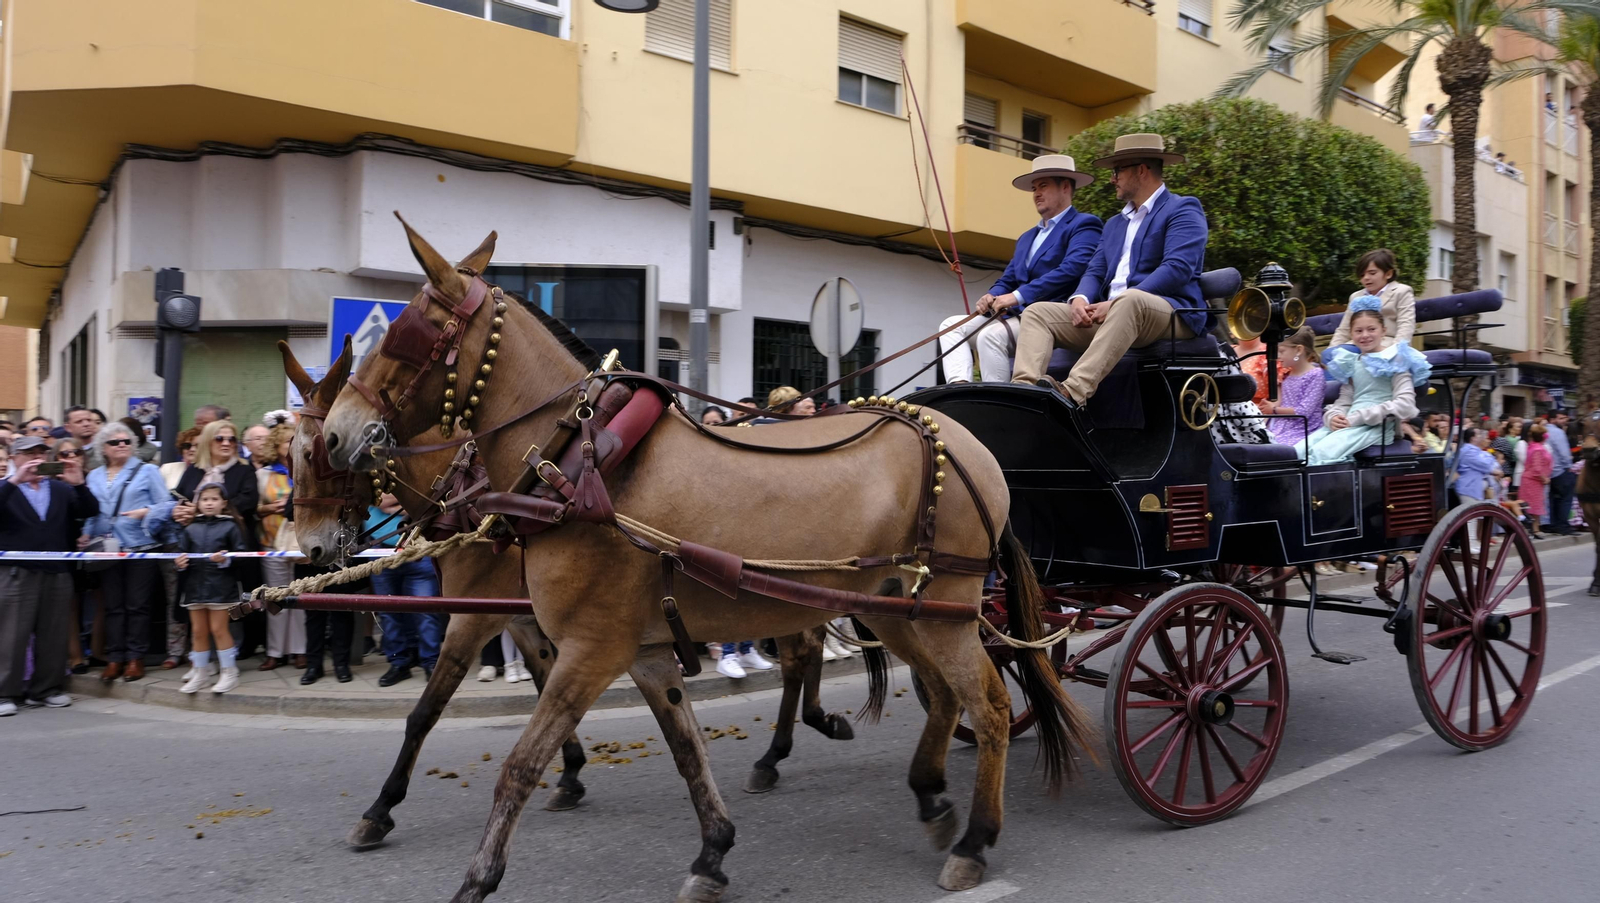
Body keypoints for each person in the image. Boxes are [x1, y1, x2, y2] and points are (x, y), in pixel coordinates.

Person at [1009, 133, 1209, 411]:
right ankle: (1023, 394)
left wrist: (1115, 303)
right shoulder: (1115, 223)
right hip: (1116, 316)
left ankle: (1071, 393)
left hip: (1170, 314)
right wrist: (1079, 298)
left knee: (1130, 300)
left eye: (1117, 171)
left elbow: (1177, 269)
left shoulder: (1183, 208)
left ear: (1141, 170)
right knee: (1037, 312)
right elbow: (1095, 270)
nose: (1112, 178)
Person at [937, 155, 1102, 383]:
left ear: (1065, 186)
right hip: (1016, 315)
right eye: (1034, 188)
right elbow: (1010, 277)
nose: (1036, 193)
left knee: (990, 336)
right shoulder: (1027, 237)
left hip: (1051, 316)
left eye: (1043, 185)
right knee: (950, 326)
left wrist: (1015, 297)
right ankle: (961, 387)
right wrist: (992, 295)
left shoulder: (1084, 224)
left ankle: (1000, 403)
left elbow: (1072, 269)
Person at [0, 436, 97, 716]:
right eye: (29, 454)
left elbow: (89, 511)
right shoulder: (7, 487)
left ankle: (46, 689)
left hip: (56, 569)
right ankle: (5, 692)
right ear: (14, 458)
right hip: (17, 571)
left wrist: (79, 483)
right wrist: (15, 480)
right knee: (11, 634)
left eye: (41, 453)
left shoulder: (60, 488)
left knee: (53, 633)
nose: (37, 459)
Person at [83, 422, 176, 683]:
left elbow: (166, 505)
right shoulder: (94, 476)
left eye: (127, 441)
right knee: (113, 606)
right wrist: (85, 534)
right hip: (107, 549)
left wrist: (144, 512)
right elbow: (92, 512)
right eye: (115, 442)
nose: (122, 445)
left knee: (137, 606)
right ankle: (115, 658)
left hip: (140, 547)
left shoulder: (147, 471)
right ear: (104, 448)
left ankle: (136, 658)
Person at [1305, 297, 1431, 466]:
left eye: (1371, 329)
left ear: (1383, 330)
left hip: (1378, 426)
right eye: (1359, 331)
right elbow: (1345, 400)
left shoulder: (1396, 360)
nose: (1365, 335)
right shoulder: (1352, 362)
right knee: (1300, 451)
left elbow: (1405, 404)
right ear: (1351, 334)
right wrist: (1333, 416)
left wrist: (1358, 417)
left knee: (1320, 455)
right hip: (1349, 424)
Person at [174, 419, 263, 659]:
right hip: (197, 547)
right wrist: (179, 510)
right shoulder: (194, 470)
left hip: (234, 545)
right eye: (220, 438)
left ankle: (236, 653)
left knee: (236, 599)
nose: (226, 443)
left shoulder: (244, 470)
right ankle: (202, 659)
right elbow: (179, 498)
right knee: (199, 604)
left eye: (231, 439)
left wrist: (209, 509)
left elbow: (249, 501)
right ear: (208, 441)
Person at [366, 493, 446, 686]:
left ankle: (431, 663)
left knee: (426, 611)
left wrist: (392, 502)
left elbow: (423, 498)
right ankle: (399, 663)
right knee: (388, 613)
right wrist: (402, 502)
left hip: (418, 547)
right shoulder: (367, 468)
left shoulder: (410, 463)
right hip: (380, 550)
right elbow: (379, 500)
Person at [175, 483, 247, 694]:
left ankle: (229, 672)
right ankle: (201, 673)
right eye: (205, 499)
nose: (209, 503)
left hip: (220, 587)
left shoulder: (231, 526)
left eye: (214, 499)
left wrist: (225, 560)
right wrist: (179, 563)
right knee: (198, 632)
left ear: (223, 503)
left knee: (218, 629)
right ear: (198, 503)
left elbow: (240, 555)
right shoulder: (190, 528)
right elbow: (181, 553)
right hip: (194, 587)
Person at [255, 423, 304, 670]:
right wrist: (272, 508)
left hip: (300, 546)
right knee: (275, 600)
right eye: (288, 441)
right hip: (272, 544)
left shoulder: (306, 472)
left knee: (299, 599)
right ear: (277, 446)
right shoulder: (264, 475)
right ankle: (275, 651)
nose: (293, 444)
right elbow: (253, 509)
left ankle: (299, 650)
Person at [1328, 249, 1416, 351]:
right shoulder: (1356, 297)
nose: (1366, 278)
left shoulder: (1401, 292)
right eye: (1362, 275)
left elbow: (1406, 326)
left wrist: (1395, 353)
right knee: (1340, 354)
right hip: (1358, 344)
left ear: (1388, 274)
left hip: (1388, 344)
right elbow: (1344, 329)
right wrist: (1330, 351)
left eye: (1372, 273)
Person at [1260, 327, 1323, 450]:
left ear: (1299, 350)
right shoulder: (1286, 374)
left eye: (1282, 351)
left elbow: (1303, 412)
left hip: (1303, 429)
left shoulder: (1315, 374)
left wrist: (1274, 410)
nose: (1278, 356)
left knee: (1278, 448)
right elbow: (1278, 401)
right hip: (1281, 426)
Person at [1546, 410, 1578, 533]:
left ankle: (1554, 524)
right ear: (1552, 419)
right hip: (1560, 471)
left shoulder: (1543, 430)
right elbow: (1564, 453)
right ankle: (1563, 526)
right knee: (1565, 498)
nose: (1564, 421)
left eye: (1565, 418)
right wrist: (1569, 467)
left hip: (1548, 473)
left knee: (1553, 499)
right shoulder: (1558, 432)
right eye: (1561, 418)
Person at [1455, 428, 1502, 504]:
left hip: (1474, 489)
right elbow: (1485, 465)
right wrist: (1489, 455)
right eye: (1479, 434)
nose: (1481, 436)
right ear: (1473, 438)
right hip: (1468, 489)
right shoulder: (1468, 452)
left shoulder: (1476, 451)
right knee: (1473, 514)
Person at [1522, 423, 1552, 537]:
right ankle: (1535, 530)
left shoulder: (1533, 446)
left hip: (1533, 480)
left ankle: (1535, 528)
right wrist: (1545, 478)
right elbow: (1537, 468)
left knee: (1534, 505)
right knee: (1534, 506)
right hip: (1533, 480)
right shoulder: (1538, 449)